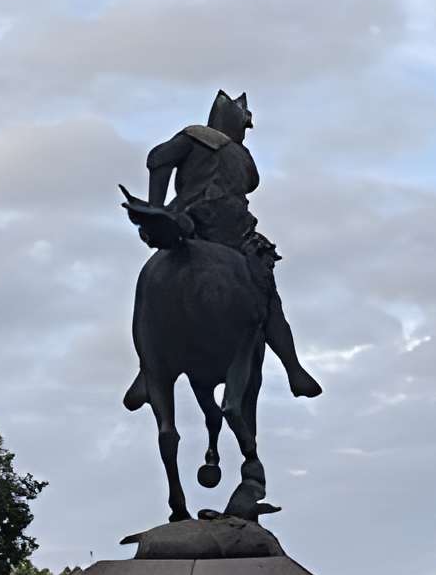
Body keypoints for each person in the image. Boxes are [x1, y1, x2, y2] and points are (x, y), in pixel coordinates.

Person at [122, 87, 321, 406]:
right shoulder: (236, 154)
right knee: (267, 296)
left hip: (194, 225)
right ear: (234, 120)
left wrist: (157, 205)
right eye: (244, 124)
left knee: (155, 286)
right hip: (230, 230)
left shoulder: (199, 139)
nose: (245, 130)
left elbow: (157, 159)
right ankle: (293, 369)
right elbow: (249, 183)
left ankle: (147, 371)